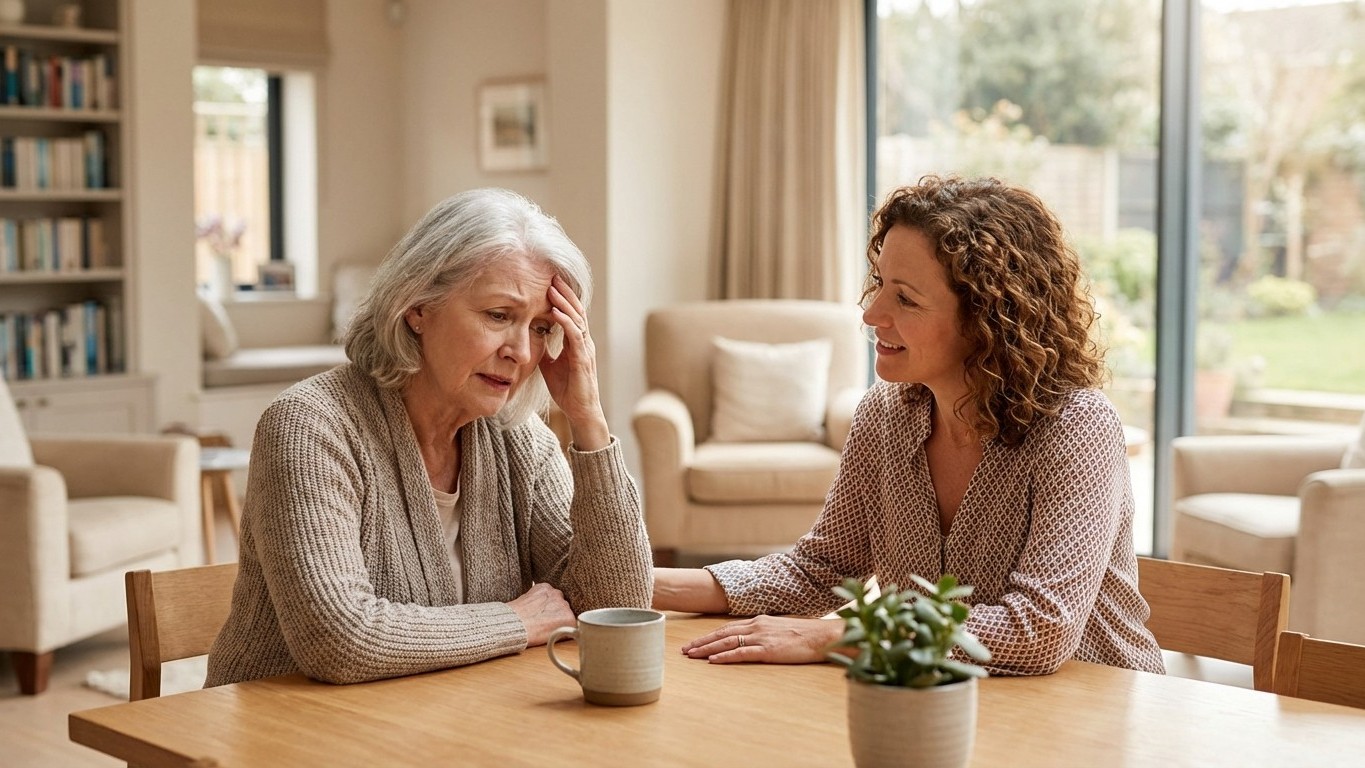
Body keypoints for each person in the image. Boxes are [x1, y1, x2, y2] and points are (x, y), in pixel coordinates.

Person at [652, 175, 1165, 676]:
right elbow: (820, 570)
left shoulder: (1077, 427)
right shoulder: (886, 415)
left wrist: (839, 634)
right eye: (880, 285)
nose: (872, 314)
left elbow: (1040, 630)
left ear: (989, 318)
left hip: (1095, 715)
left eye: (906, 298)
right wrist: (637, 583)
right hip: (941, 704)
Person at [206, 188, 653, 687]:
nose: (522, 353)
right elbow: (338, 640)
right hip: (287, 738)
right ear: (417, 306)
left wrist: (589, 423)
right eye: (499, 316)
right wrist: (516, 621)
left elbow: (615, 612)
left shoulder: (522, 442)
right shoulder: (309, 426)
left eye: (542, 327)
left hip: (440, 726)